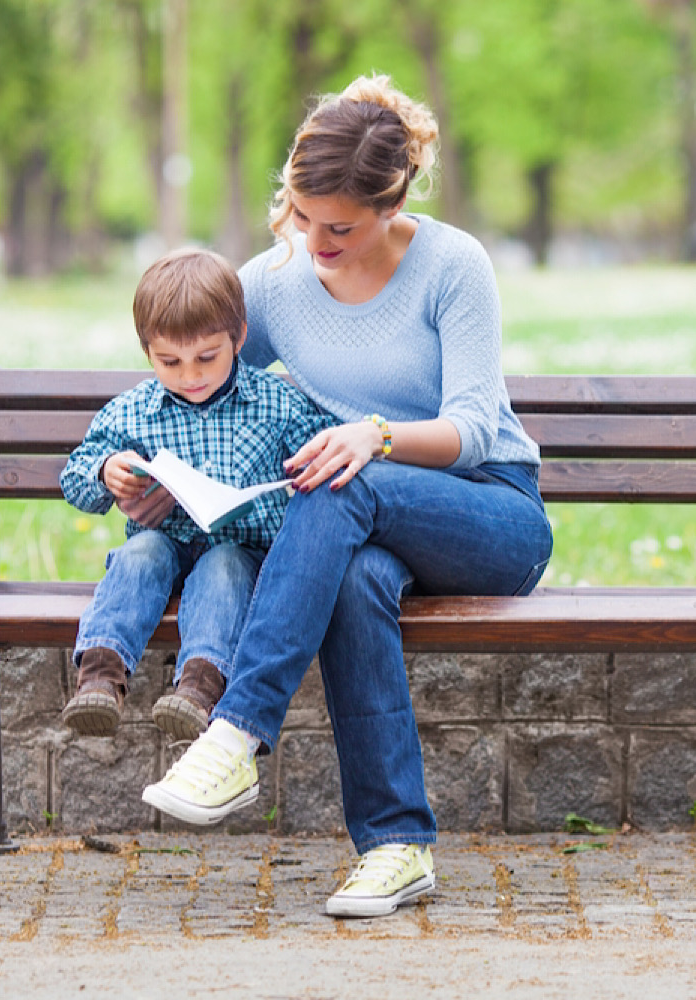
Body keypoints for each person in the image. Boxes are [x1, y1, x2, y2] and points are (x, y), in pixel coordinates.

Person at [138, 74, 553, 919]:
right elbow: (199, 391)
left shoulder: (451, 264)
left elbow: (474, 426)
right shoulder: (276, 282)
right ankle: (397, 847)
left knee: (341, 479)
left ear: (392, 202)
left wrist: (375, 434)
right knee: (357, 575)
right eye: (298, 214)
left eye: (340, 226)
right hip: (364, 522)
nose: (313, 239)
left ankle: (236, 732)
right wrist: (142, 470)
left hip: (489, 513)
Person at [60, 248, 336, 740]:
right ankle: (99, 677)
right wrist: (107, 472)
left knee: (225, 564)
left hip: (242, 551)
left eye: (207, 357)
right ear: (147, 351)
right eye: (170, 361)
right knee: (140, 550)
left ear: (239, 338)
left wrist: (303, 475)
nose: (191, 376)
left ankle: (199, 688)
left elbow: (322, 462)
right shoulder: (133, 412)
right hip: (165, 543)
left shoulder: (278, 404)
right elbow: (74, 475)